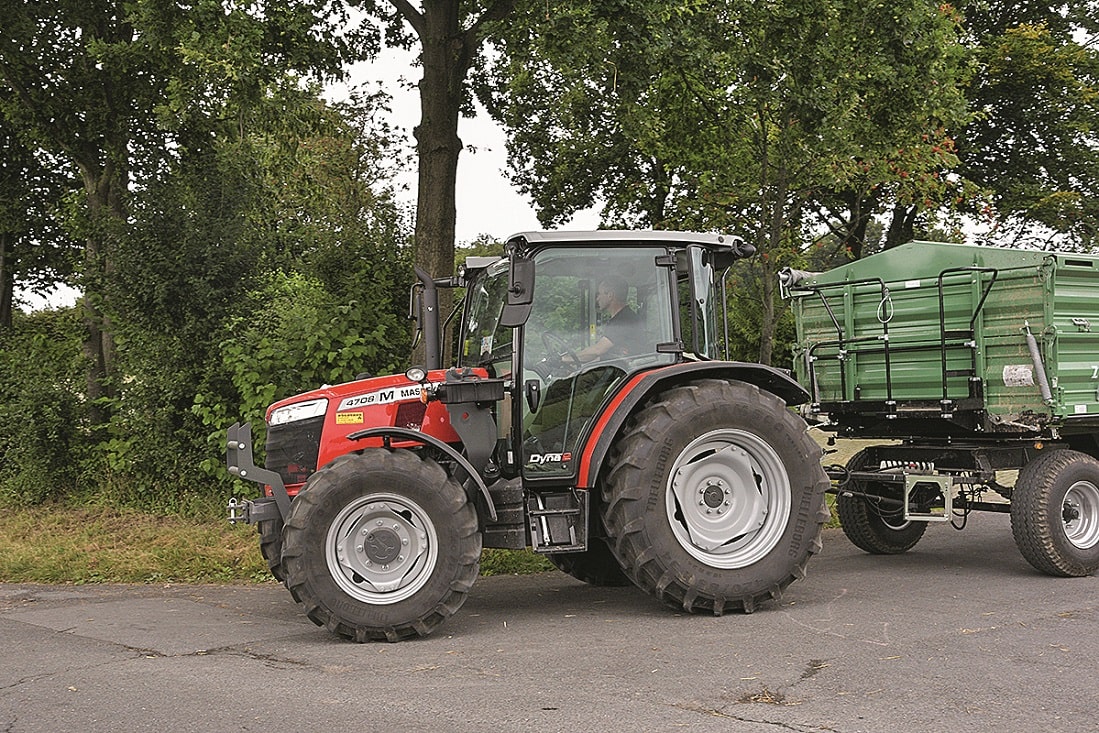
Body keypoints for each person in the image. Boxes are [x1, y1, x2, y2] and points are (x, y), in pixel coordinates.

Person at [574, 275, 641, 362]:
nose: (597, 299)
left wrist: (566, 359)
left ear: (610, 295)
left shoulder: (623, 320)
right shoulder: (623, 317)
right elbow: (606, 356)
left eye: (599, 294)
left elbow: (598, 350)